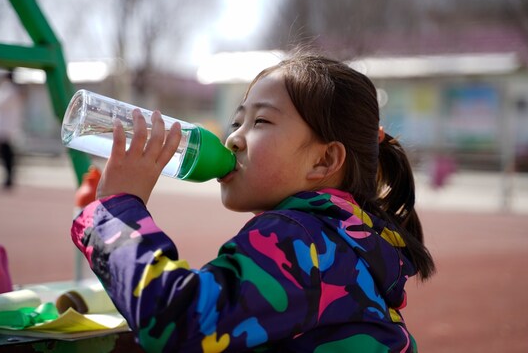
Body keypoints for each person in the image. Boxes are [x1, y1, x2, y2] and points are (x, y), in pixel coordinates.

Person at [71, 52, 435, 352]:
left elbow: (177, 321)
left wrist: (115, 214)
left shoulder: (299, 237)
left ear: (323, 161)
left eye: (260, 122)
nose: (233, 140)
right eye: (236, 121)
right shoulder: (343, 239)